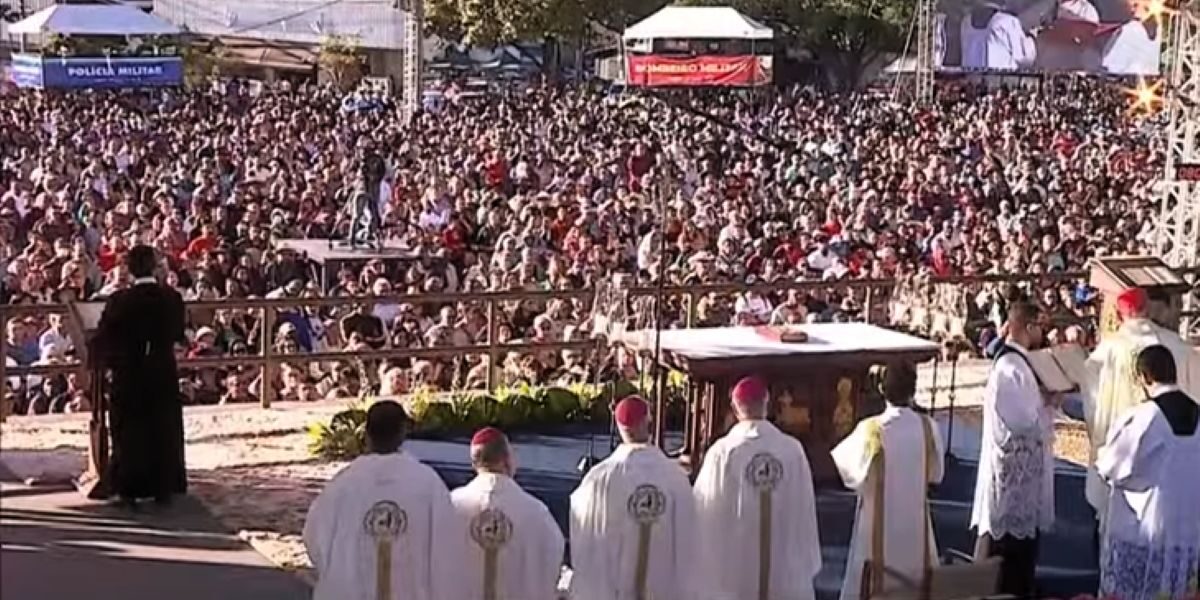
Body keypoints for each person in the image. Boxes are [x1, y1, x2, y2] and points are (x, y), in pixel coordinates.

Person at [302, 401, 460, 600]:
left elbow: (314, 536)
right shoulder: (428, 483)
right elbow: (448, 545)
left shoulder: (343, 483)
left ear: (366, 435)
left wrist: (339, 575)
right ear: (403, 433)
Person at [692, 376, 822, 600]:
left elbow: (704, 512)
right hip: (783, 570)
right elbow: (804, 509)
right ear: (767, 402)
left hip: (735, 572)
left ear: (734, 408)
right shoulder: (792, 450)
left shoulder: (722, 452)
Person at [1083, 287, 1200, 535]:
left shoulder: (1108, 350)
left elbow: (1091, 396)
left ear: (1120, 314)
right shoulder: (1174, 344)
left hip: (1125, 454)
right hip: (1175, 458)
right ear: (1146, 308)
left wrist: (1099, 432)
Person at [831, 363, 945, 600]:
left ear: (882, 390)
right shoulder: (928, 427)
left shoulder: (870, 429)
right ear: (913, 392)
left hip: (877, 521)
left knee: (871, 580)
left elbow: (848, 472)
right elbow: (937, 475)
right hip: (915, 520)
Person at [1096, 345, 1200, 600]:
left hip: (1144, 530)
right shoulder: (1198, 414)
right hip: (1186, 531)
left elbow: (1113, 466)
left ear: (1144, 377)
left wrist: (1101, 459)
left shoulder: (1144, 417)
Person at [568, 395, 696, 600]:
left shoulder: (599, 478)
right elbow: (689, 536)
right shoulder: (675, 477)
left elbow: (584, 531)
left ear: (619, 428)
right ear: (649, 422)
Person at [970, 301, 1057, 598]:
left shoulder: (1020, 363)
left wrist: (1046, 401)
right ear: (1028, 327)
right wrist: (1047, 409)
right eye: (1040, 327)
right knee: (1007, 553)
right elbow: (1022, 422)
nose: (1042, 334)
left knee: (1020, 551)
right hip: (1012, 476)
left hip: (1023, 473)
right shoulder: (1010, 367)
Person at [90, 244, 187, 507]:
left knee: (130, 430)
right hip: (161, 370)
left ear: (129, 269)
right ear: (154, 267)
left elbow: (105, 336)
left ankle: (128, 489)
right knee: (162, 427)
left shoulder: (120, 300)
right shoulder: (171, 298)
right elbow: (178, 333)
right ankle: (163, 487)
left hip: (130, 372)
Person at [450, 427, 564, 600]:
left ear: (474, 464)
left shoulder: (451, 506)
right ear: (507, 461)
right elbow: (551, 561)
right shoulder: (535, 513)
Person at [960, 1, 1037, 70]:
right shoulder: (1007, 22)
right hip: (1000, 81)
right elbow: (1025, 58)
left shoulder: (966, 22)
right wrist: (1032, 37)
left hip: (971, 80)